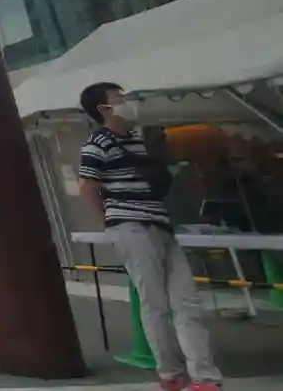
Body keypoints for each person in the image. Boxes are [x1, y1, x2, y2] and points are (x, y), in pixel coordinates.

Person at [78, 82, 221, 391]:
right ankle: (171, 373)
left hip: (161, 224)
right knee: (154, 303)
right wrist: (111, 222)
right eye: (119, 99)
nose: (128, 102)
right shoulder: (96, 143)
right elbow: (87, 186)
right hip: (131, 227)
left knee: (187, 301)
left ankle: (204, 377)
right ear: (104, 109)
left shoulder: (136, 140)